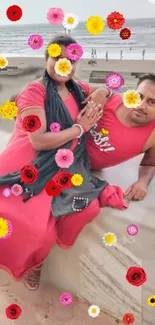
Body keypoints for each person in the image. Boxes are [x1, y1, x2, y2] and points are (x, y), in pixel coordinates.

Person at [0, 34, 127, 290]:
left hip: (64, 165)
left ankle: (45, 254)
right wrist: (80, 129)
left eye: (71, 60)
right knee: (37, 232)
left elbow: (109, 92)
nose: (64, 64)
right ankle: (33, 266)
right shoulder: (34, 92)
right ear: (46, 58)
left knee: (87, 208)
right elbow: (38, 140)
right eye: (57, 58)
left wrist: (101, 92)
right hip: (30, 165)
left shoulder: (76, 89)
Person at [82, 73, 155, 201]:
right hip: (55, 153)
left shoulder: (153, 135)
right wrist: (103, 90)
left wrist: (142, 182)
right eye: (139, 96)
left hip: (83, 172)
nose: (141, 105)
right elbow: (58, 84)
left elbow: (150, 163)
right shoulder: (107, 99)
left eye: (152, 102)